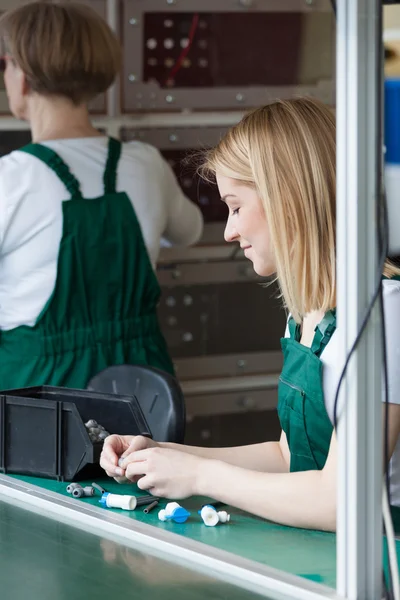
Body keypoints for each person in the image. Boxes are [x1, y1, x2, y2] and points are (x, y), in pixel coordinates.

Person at [100, 97, 400, 532]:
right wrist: (164, 455)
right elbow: (287, 458)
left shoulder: (382, 317)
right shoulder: (307, 311)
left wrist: (201, 476)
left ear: (289, 198)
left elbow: (343, 501)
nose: (229, 230)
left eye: (236, 206)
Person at [0, 2, 203, 390]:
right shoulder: (145, 164)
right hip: (141, 390)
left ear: (22, 76)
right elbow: (188, 232)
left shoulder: (10, 180)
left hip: (40, 395)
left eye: (5, 64)